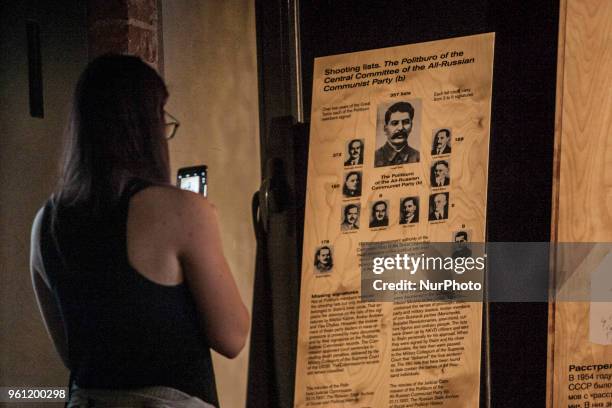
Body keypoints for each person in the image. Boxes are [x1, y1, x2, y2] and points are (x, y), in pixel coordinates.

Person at [29, 55, 249, 408]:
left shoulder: (45, 223)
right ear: (144, 127)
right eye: (161, 118)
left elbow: (73, 354)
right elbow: (232, 337)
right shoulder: (183, 210)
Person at [374, 101, 420, 167]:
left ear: (411, 126)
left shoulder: (418, 157)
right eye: (395, 123)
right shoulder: (375, 157)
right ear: (385, 128)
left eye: (406, 122)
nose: (401, 128)